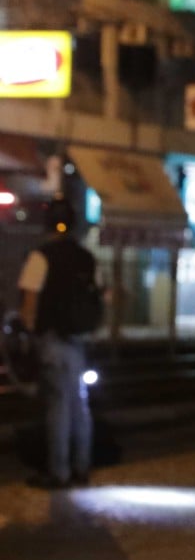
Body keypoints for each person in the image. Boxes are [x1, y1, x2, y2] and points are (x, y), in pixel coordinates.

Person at [18, 197, 101, 489]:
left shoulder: (41, 256)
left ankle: (59, 472)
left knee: (57, 406)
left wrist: (29, 335)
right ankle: (82, 468)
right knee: (79, 405)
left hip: (52, 339)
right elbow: (97, 296)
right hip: (80, 340)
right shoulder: (86, 257)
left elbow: (30, 302)